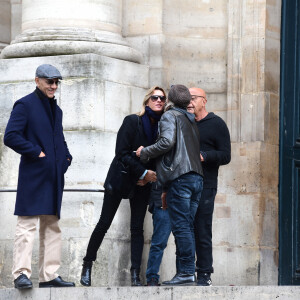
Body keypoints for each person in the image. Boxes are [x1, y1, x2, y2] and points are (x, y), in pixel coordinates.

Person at [80, 86, 166, 287]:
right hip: (122, 178)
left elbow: (161, 157)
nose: (159, 101)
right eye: (155, 97)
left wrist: (148, 176)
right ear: (147, 101)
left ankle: (135, 274)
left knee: (137, 228)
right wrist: (143, 172)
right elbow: (122, 152)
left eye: (163, 98)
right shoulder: (132, 121)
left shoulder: (163, 127)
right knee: (104, 223)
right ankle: (87, 264)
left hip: (143, 184)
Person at [3, 64, 74, 289]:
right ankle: (21, 275)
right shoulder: (25, 104)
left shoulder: (57, 110)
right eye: (49, 82)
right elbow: (11, 136)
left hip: (53, 176)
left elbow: (58, 138)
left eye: (56, 82)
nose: (53, 86)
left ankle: (49, 276)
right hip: (34, 173)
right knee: (27, 225)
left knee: (52, 226)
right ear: (37, 81)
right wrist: (37, 152)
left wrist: (66, 157)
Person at [137, 84, 203, 286]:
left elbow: (166, 142)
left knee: (182, 227)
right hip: (196, 179)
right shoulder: (191, 120)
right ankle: (188, 272)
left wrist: (145, 152)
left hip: (180, 178)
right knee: (187, 228)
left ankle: (186, 273)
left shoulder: (170, 116)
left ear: (172, 101)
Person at [187, 87, 231, 286]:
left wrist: (205, 156)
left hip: (206, 185)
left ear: (204, 101)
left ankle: (204, 273)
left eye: (193, 98)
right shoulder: (182, 122)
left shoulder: (217, 124)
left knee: (202, 229)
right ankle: (186, 272)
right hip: (183, 185)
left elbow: (225, 155)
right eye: (187, 98)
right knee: (183, 229)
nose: (189, 101)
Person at [145, 181, 172, 286]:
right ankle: (152, 277)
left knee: (183, 242)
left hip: (182, 198)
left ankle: (184, 275)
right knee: (158, 243)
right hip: (162, 198)